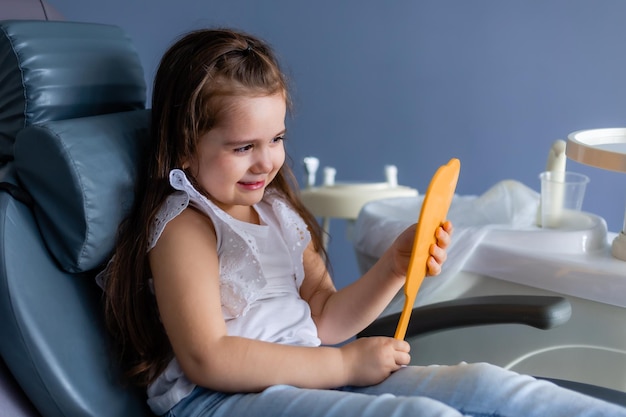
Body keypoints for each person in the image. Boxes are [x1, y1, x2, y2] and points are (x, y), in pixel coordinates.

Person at [99, 28, 626, 417]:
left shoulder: (276, 212)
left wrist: (395, 267)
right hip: (214, 400)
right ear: (186, 147)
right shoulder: (187, 226)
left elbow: (325, 315)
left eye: (276, 139)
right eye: (243, 147)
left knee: (492, 389)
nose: (266, 162)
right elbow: (208, 359)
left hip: (308, 377)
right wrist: (345, 368)